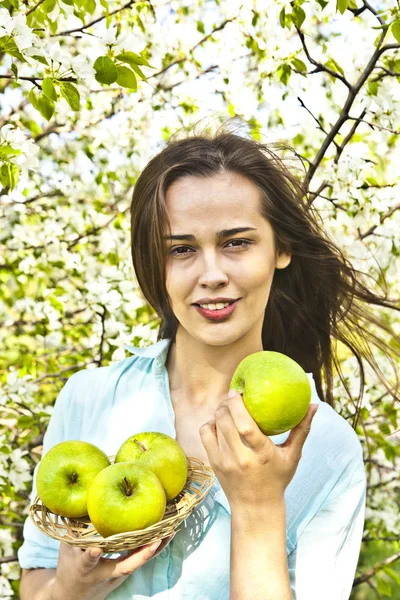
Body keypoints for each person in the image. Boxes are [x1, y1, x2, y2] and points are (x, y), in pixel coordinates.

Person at [18, 121, 400, 599]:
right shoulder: (91, 398)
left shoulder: (326, 448)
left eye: (236, 242)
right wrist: (70, 588)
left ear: (280, 249)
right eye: (181, 250)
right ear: (155, 265)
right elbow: (34, 581)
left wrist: (259, 508)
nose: (211, 274)